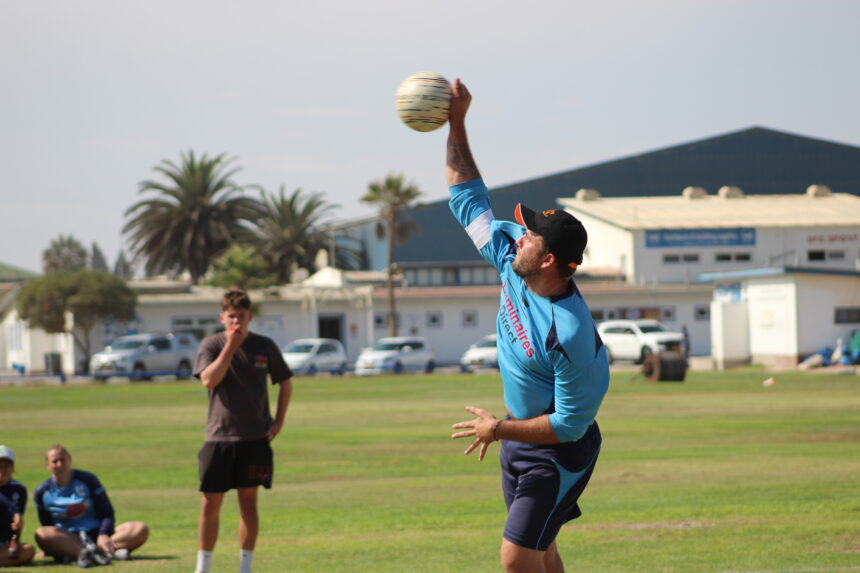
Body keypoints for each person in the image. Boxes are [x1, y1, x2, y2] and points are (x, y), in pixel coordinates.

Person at [446, 79, 610, 573]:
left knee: (517, 559)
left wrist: (499, 429)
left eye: (530, 236)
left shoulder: (572, 333)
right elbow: (464, 197)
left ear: (551, 259)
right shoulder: (512, 259)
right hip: (516, 440)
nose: (519, 237)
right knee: (542, 551)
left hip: (559, 452)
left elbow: (567, 425)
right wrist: (456, 121)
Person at [193, 289, 293, 573]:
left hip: (254, 439)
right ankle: (204, 567)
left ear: (250, 316)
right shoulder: (211, 345)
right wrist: (230, 347)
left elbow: (285, 381)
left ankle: (245, 568)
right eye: (231, 316)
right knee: (209, 503)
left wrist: (279, 419)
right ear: (222, 317)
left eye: (241, 316)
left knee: (248, 503)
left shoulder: (264, 346)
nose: (236, 321)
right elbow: (209, 381)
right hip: (218, 437)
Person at [33, 444, 149, 567]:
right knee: (42, 533)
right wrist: (52, 547)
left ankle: (86, 554)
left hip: (97, 535)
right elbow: (46, 524)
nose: (59, 464)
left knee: (139, 528)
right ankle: (100, 553)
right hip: (71, 539)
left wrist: (103, 534)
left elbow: (107, 512)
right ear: (47, 465)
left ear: (70, 460)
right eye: (54, 461)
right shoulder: (42, 492)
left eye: (63, 460)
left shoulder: (87, 479)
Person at [0, 445, 36, 566]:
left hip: (3, 543)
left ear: (13, 468)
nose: (2, 469)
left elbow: (17, 524)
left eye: (6, 465)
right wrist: (15, 511)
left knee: (28, 550)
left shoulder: (18, 490)